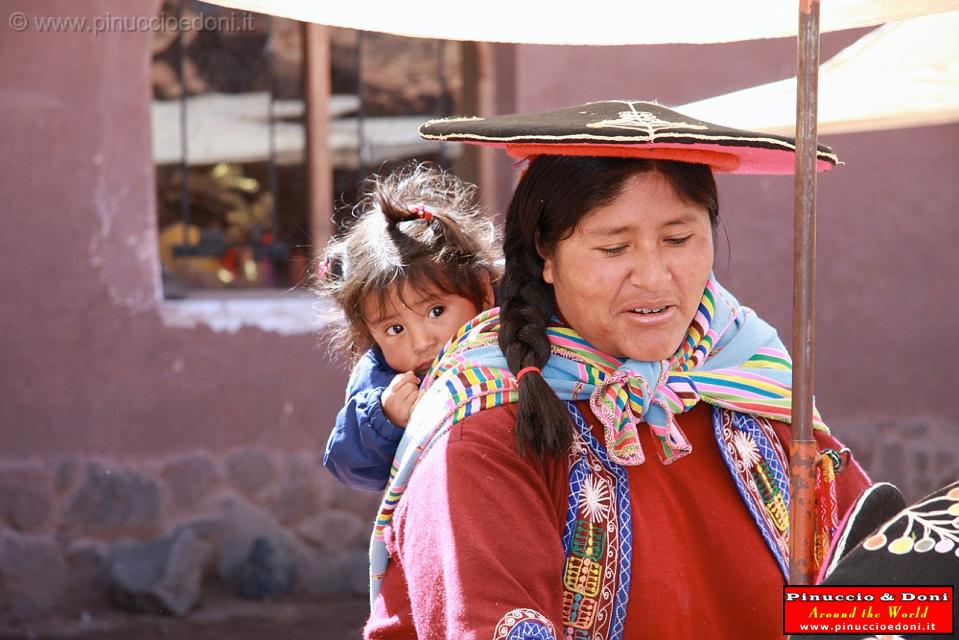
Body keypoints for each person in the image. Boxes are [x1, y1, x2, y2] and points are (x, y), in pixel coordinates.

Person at [363, 101, 873, 639]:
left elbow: (862, 595)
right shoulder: (481, 435)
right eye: (613, 247)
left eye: (679, 240)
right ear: (545, 254)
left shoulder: (752, 381)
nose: (653, 278)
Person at [318, 162, 499, 491]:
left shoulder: (517, 326)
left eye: (436, 310)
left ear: (484, 291)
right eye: (394, 330)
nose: (421, 341)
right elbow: (348, 464)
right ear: (369, 334)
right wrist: (383, 419)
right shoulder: (381, 381)